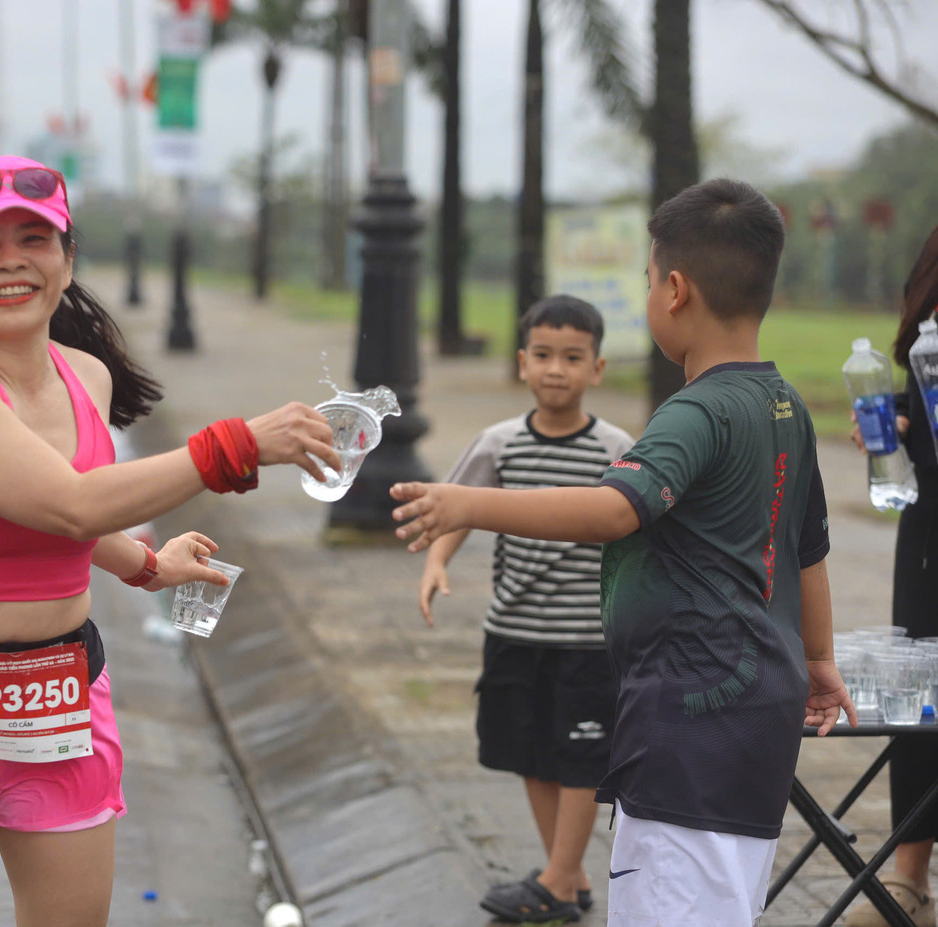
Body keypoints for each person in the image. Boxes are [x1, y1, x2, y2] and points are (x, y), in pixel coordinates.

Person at [0, 154, 341, 927]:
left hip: (57, 700)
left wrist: (149, 564)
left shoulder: (87, 377)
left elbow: (55, 518)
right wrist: (234, 444)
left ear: (67, 261)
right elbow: (71, 504)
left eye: (33, 238)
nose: (10, 258)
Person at [391, 178, 856, 927]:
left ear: (675, 291)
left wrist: (470, 502)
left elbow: (614, 508)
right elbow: (808, 548)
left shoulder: (695, 412)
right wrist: (821, 658)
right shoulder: (784, 405)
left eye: (647, 282)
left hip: (684, 725)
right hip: (759, 715)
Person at [417, 295, 633, 922]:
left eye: (573, 357)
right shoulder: (500, 443)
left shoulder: (614, 448)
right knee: (530, 752)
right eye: (543, 355)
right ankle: (567, 875)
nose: (556, 370)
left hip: (587, 639)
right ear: (522, 364)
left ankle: (558, 883)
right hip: (512, 631)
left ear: (597, 368)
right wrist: (436, 563)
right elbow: (459, 506)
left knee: (580, 759)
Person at [843, 224, 938, 927]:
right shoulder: (929, 332)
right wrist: (896, 419)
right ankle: (909, 877)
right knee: (921, 690)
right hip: (930, 529)